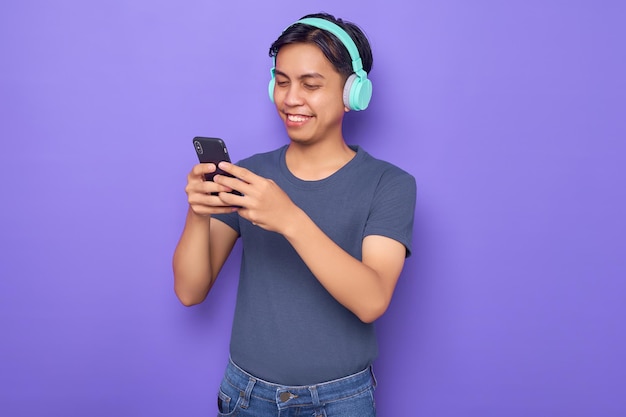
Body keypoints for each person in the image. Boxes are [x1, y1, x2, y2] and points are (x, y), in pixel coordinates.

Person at [172, 12, 416, 417]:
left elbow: (372, 300)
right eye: (281, 81)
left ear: (353, 92)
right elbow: (189, 291)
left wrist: (288, 217)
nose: (289, 98)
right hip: (246, 395)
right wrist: (197, 213)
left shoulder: (389, 184)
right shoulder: (249, 175)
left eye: (310, 84)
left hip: (341, 401)